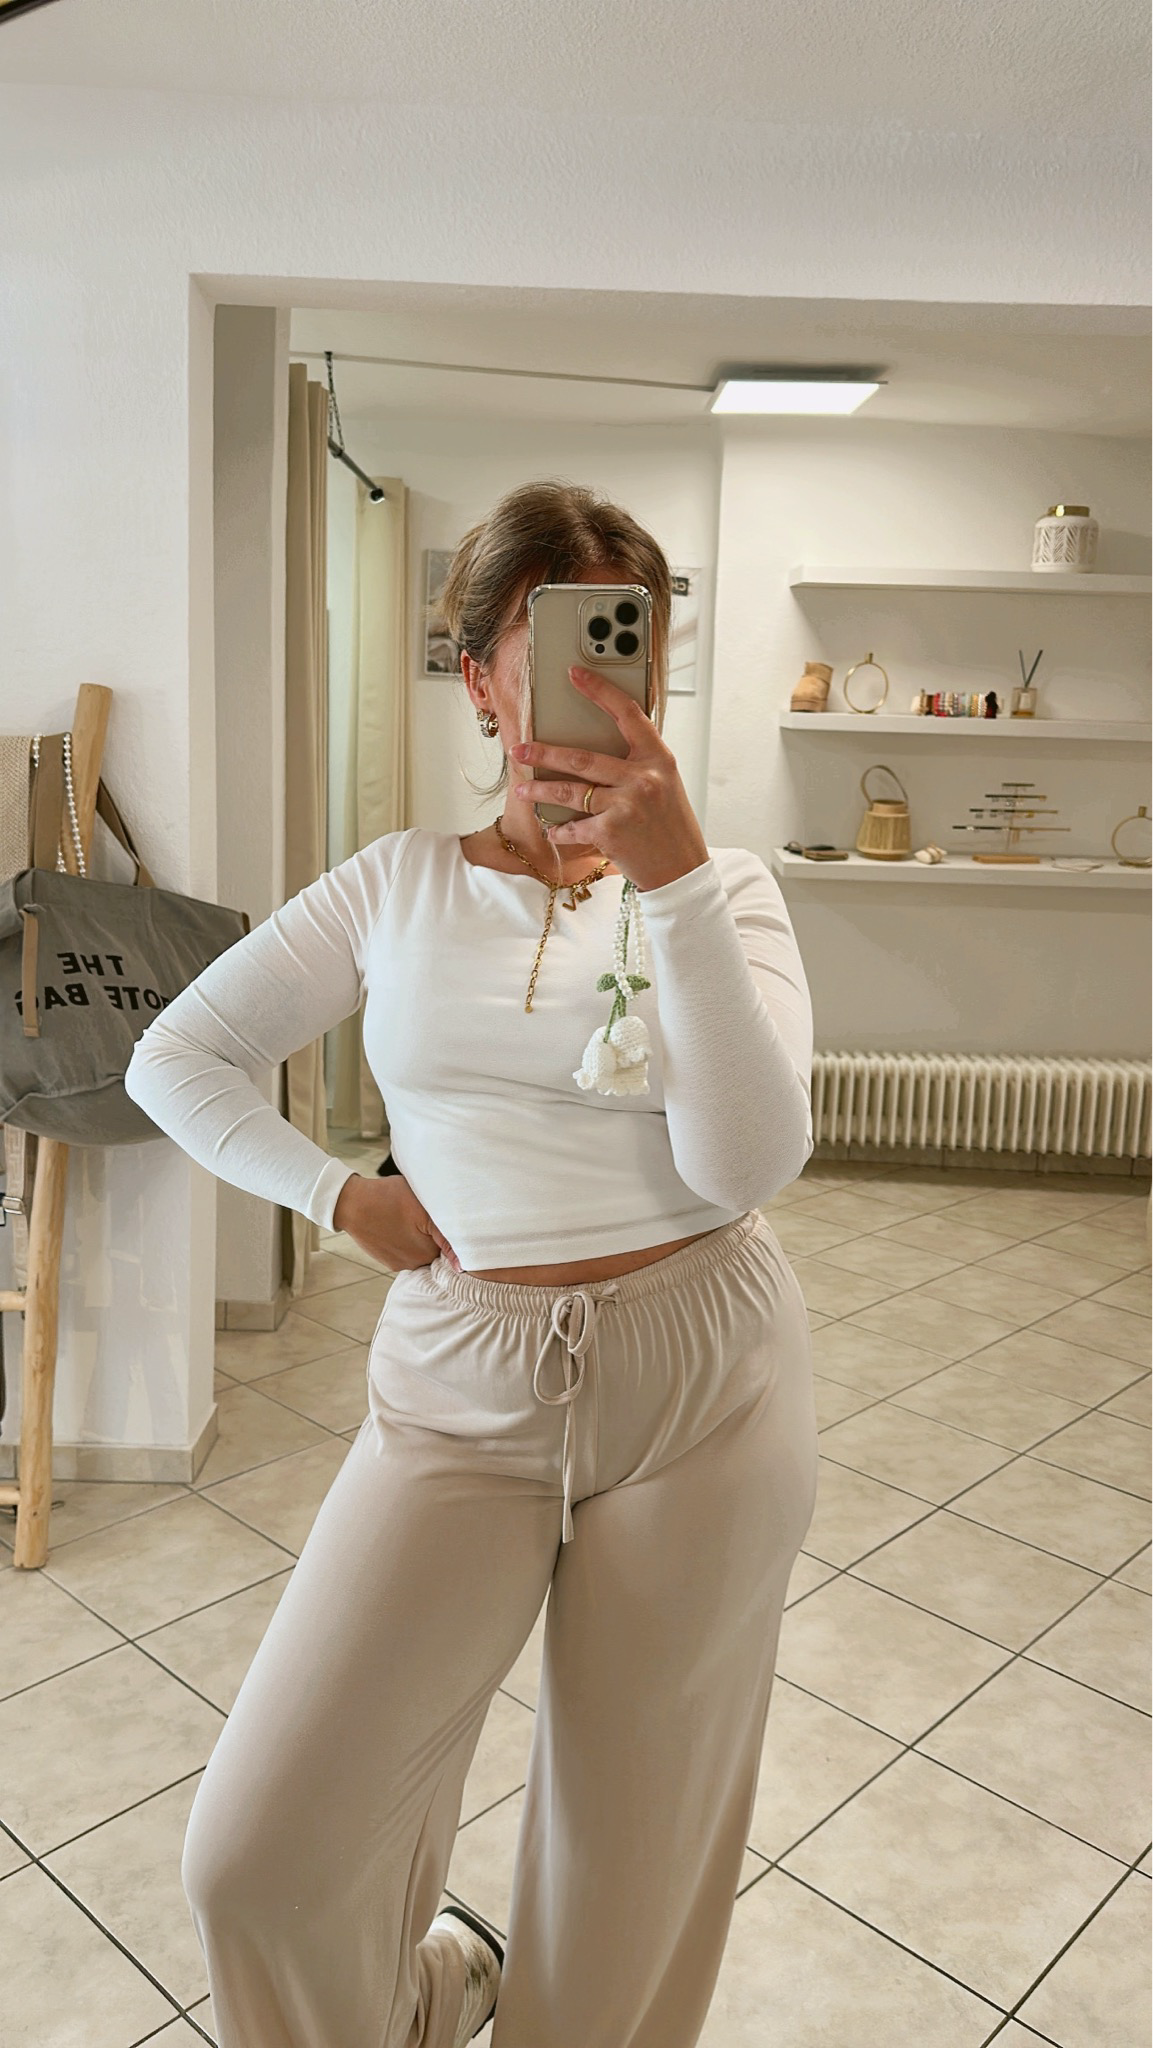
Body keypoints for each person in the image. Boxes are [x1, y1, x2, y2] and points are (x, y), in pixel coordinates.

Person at [124, 478, 820, 2048]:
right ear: (481, 678)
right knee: (260, 1862)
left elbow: (747, 1162)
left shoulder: (726, 890)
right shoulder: (395, 884)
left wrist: (672, 880)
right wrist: (335, 1195)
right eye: (559, 639)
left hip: (707, 1381)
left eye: (632, 641)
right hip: (461, 1378)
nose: (604, 677)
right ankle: (428, 2001)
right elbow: (179, 1055)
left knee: (625, 1884)